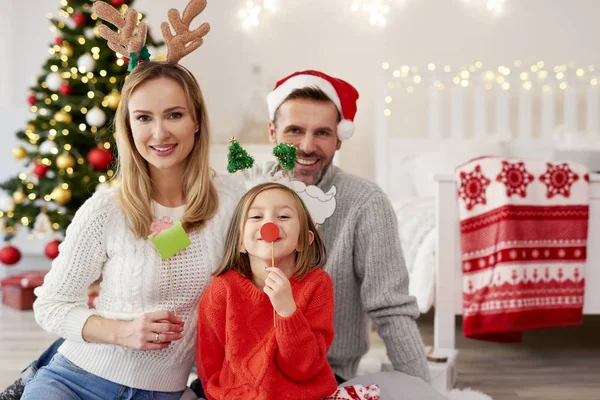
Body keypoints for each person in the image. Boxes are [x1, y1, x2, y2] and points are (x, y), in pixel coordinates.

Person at [261, 70, 431, 383]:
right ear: (272, 131)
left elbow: (391, 307)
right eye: (294, 130)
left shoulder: (365, 202)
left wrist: (421, 391)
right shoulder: (245, 189)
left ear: (340, 138)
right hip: (243, 370)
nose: (308, 146)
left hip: (326, 375)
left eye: (322, 133)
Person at [196, 182, 338, 399]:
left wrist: (287, 312)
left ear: (304, 240)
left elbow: (303, 368)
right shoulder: (222, 289)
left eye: (283, 217)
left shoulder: (317, 285)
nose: (269, 223)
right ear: (240, 242)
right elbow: (209, 360)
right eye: (256, 217)